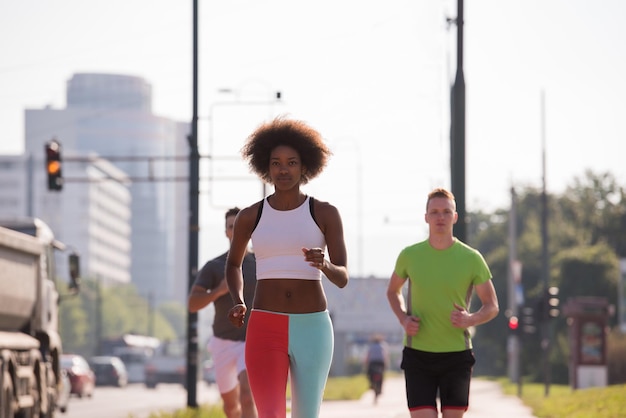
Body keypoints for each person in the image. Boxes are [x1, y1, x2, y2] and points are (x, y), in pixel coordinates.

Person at [225, 116, 349, 418]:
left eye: (291, 163)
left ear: (305, 166)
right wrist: (238, 300)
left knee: (306, 415)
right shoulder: (249, 216)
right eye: (276, 163)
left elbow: (343, 276)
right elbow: (234, 264)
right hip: (265, 326)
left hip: (313, 327)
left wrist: (325, 264)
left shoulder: (325, 213)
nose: (283, 169)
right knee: (270, 414)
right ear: (265, 168)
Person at [386, 187, 499, 418]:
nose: (440, 217)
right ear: (426, 217)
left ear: (455, 217)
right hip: (417, 353)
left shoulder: (471, 258)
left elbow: (492, 305)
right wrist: (403, 318)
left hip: (456, 354)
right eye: (435, 212)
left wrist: (471, 319)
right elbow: (392, 291)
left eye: (446, 212)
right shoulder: (410, 255)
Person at [188, 207, 258, 418]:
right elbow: (193, 304)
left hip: (251, 341)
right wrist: (217, 291)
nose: (236, 230)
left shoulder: (261, 264)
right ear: (226, 232)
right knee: (230, 406)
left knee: (247, 395)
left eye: (240, 226)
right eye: (231, 226)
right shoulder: (214, 266)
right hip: (223, 343)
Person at [364, 334, 390, 403]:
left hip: (372, 363)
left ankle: (371, 384)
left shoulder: (371, 346)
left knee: (368, 374)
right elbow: (385, 356)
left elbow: (368, 356)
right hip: (380, 363)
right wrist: (386, 364)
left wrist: (366, 363)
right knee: (381, 376)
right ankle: (380, 389)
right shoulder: (383, 345)